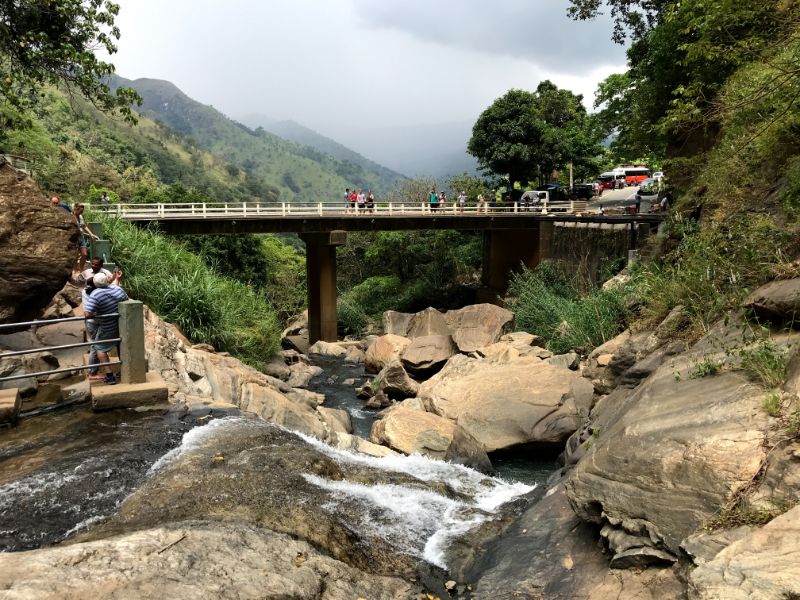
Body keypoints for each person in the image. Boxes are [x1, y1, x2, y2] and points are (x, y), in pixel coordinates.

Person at [80, 258, 122, 379]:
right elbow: (114, 289)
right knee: (96, 346)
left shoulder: (93, 293)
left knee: (96, 346)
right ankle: (93, 372)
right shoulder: (97, 294)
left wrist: (116, 279)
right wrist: (116, 280)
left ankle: (96, 372)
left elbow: (87, 313)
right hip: (97, 322)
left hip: (97, 322)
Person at [83, 272, 129, 385]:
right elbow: (126, 300)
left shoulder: (96, 294)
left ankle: (109, 375)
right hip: (121, 324)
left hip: (107, 327)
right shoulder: (117, 290)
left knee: (100, 349)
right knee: (120, 345)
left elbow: (87, 314)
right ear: (107, 280)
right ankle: (125, 371)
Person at [73, 203, 99, 274]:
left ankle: (80, 270)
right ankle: (75, 271)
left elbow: (84, 226)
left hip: (81, 237)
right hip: (74, 237)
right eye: (80, 211)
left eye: (82, 211)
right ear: (76, 209)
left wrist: (91, 234)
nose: (81, 213)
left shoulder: (80, 216)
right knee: (75, 255)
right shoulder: (71, 216)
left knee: (84, 254)